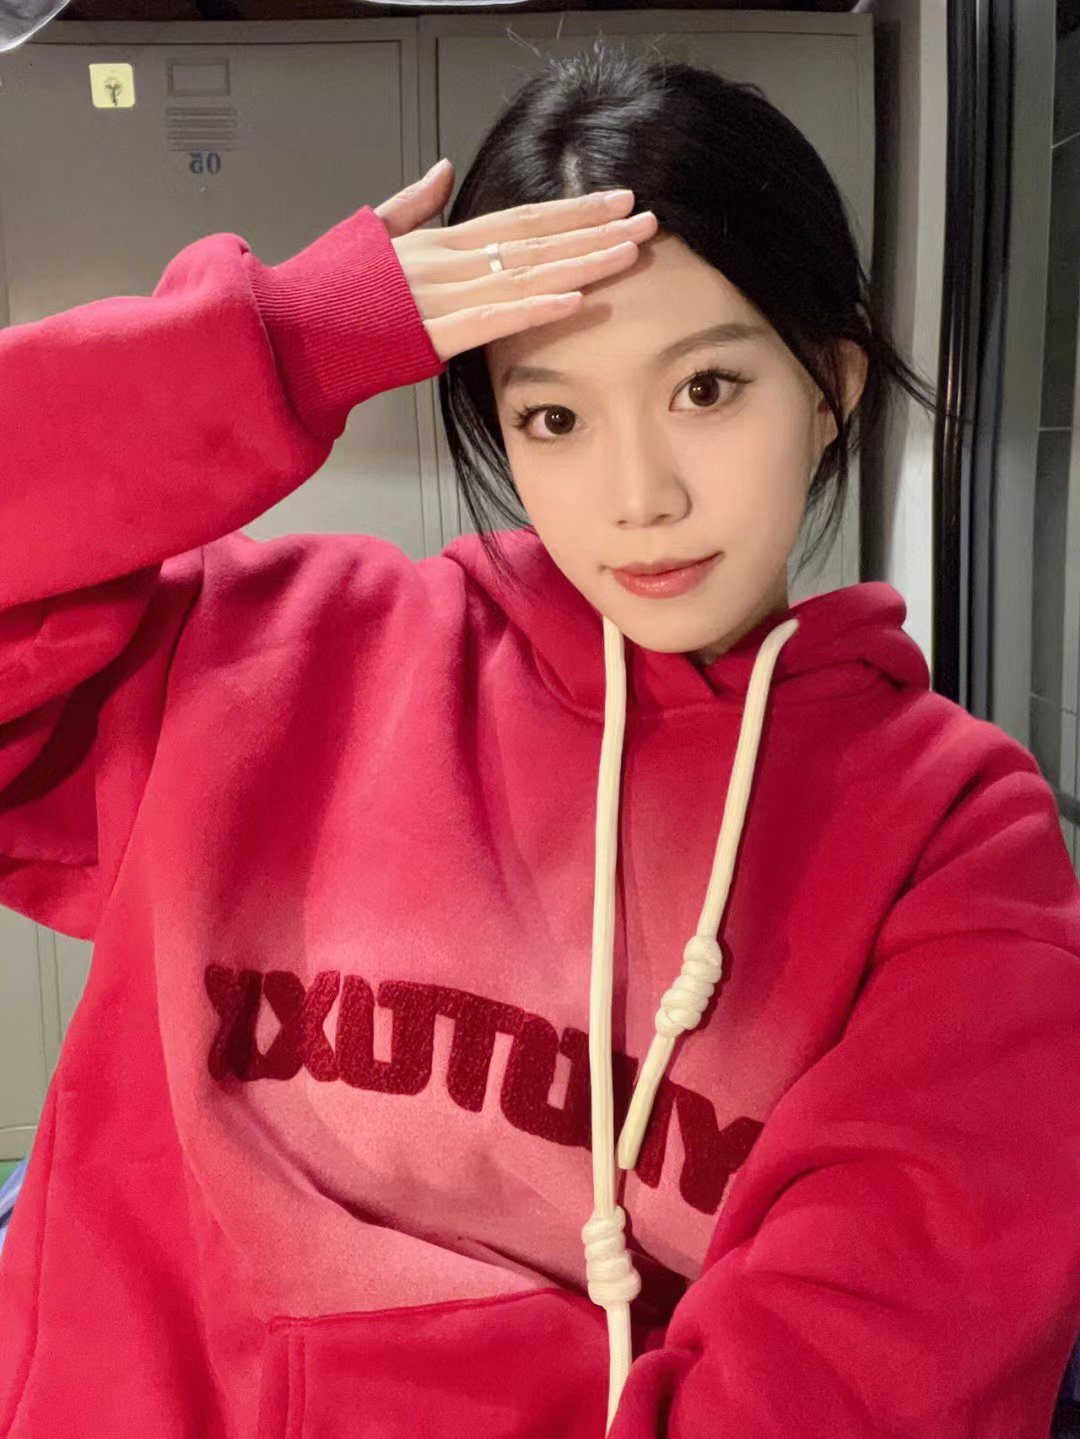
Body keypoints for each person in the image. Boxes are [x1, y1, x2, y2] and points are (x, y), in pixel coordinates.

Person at [0, 42, 1078, 1439]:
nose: (638, 494)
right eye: (555, 415)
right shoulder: (255, 658)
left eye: (707, 390)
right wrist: (280, 347)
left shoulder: (957, 843)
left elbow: (859, 1372)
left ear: (832, 384)